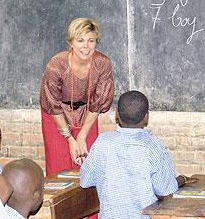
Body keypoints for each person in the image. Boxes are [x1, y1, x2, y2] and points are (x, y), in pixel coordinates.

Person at [80, 90, 196, 219]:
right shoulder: (154, 146)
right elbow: (165, 191)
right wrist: (181, 180)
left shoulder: (103, 142)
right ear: (146, 117)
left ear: (117, 115)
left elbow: (85, 181)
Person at [40, 17, 114, 175]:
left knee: (87, 163)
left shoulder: (102, 64)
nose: (86, 47)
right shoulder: (56, 65)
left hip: (87, 114)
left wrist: (81, 137)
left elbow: (98, 103)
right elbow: (52, 104)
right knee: (59, 166)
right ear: (71, 43)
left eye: (91, 40)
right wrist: (69, 138)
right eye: (80, 40)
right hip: (57, 114)